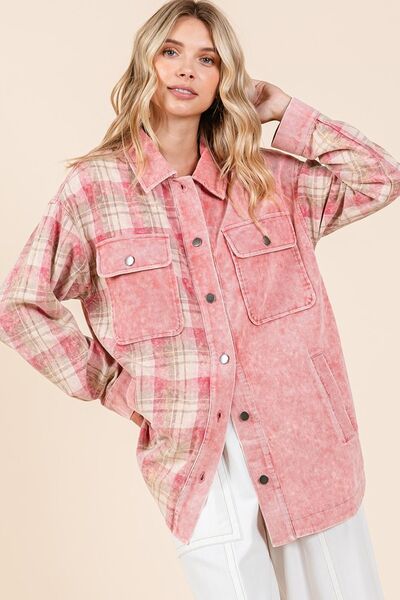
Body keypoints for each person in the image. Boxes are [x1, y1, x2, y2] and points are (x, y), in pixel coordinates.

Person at [0, 0, 397, 598]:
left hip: (305, 443)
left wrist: (287, 111)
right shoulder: (95, 190)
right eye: (171, 52)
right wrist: (113, 386)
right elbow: (21, 305)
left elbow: (381, 177)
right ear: (146, 64)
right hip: (195, 453)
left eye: (207, 59)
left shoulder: (268, 179)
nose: (186, 69)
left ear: (224, 79)